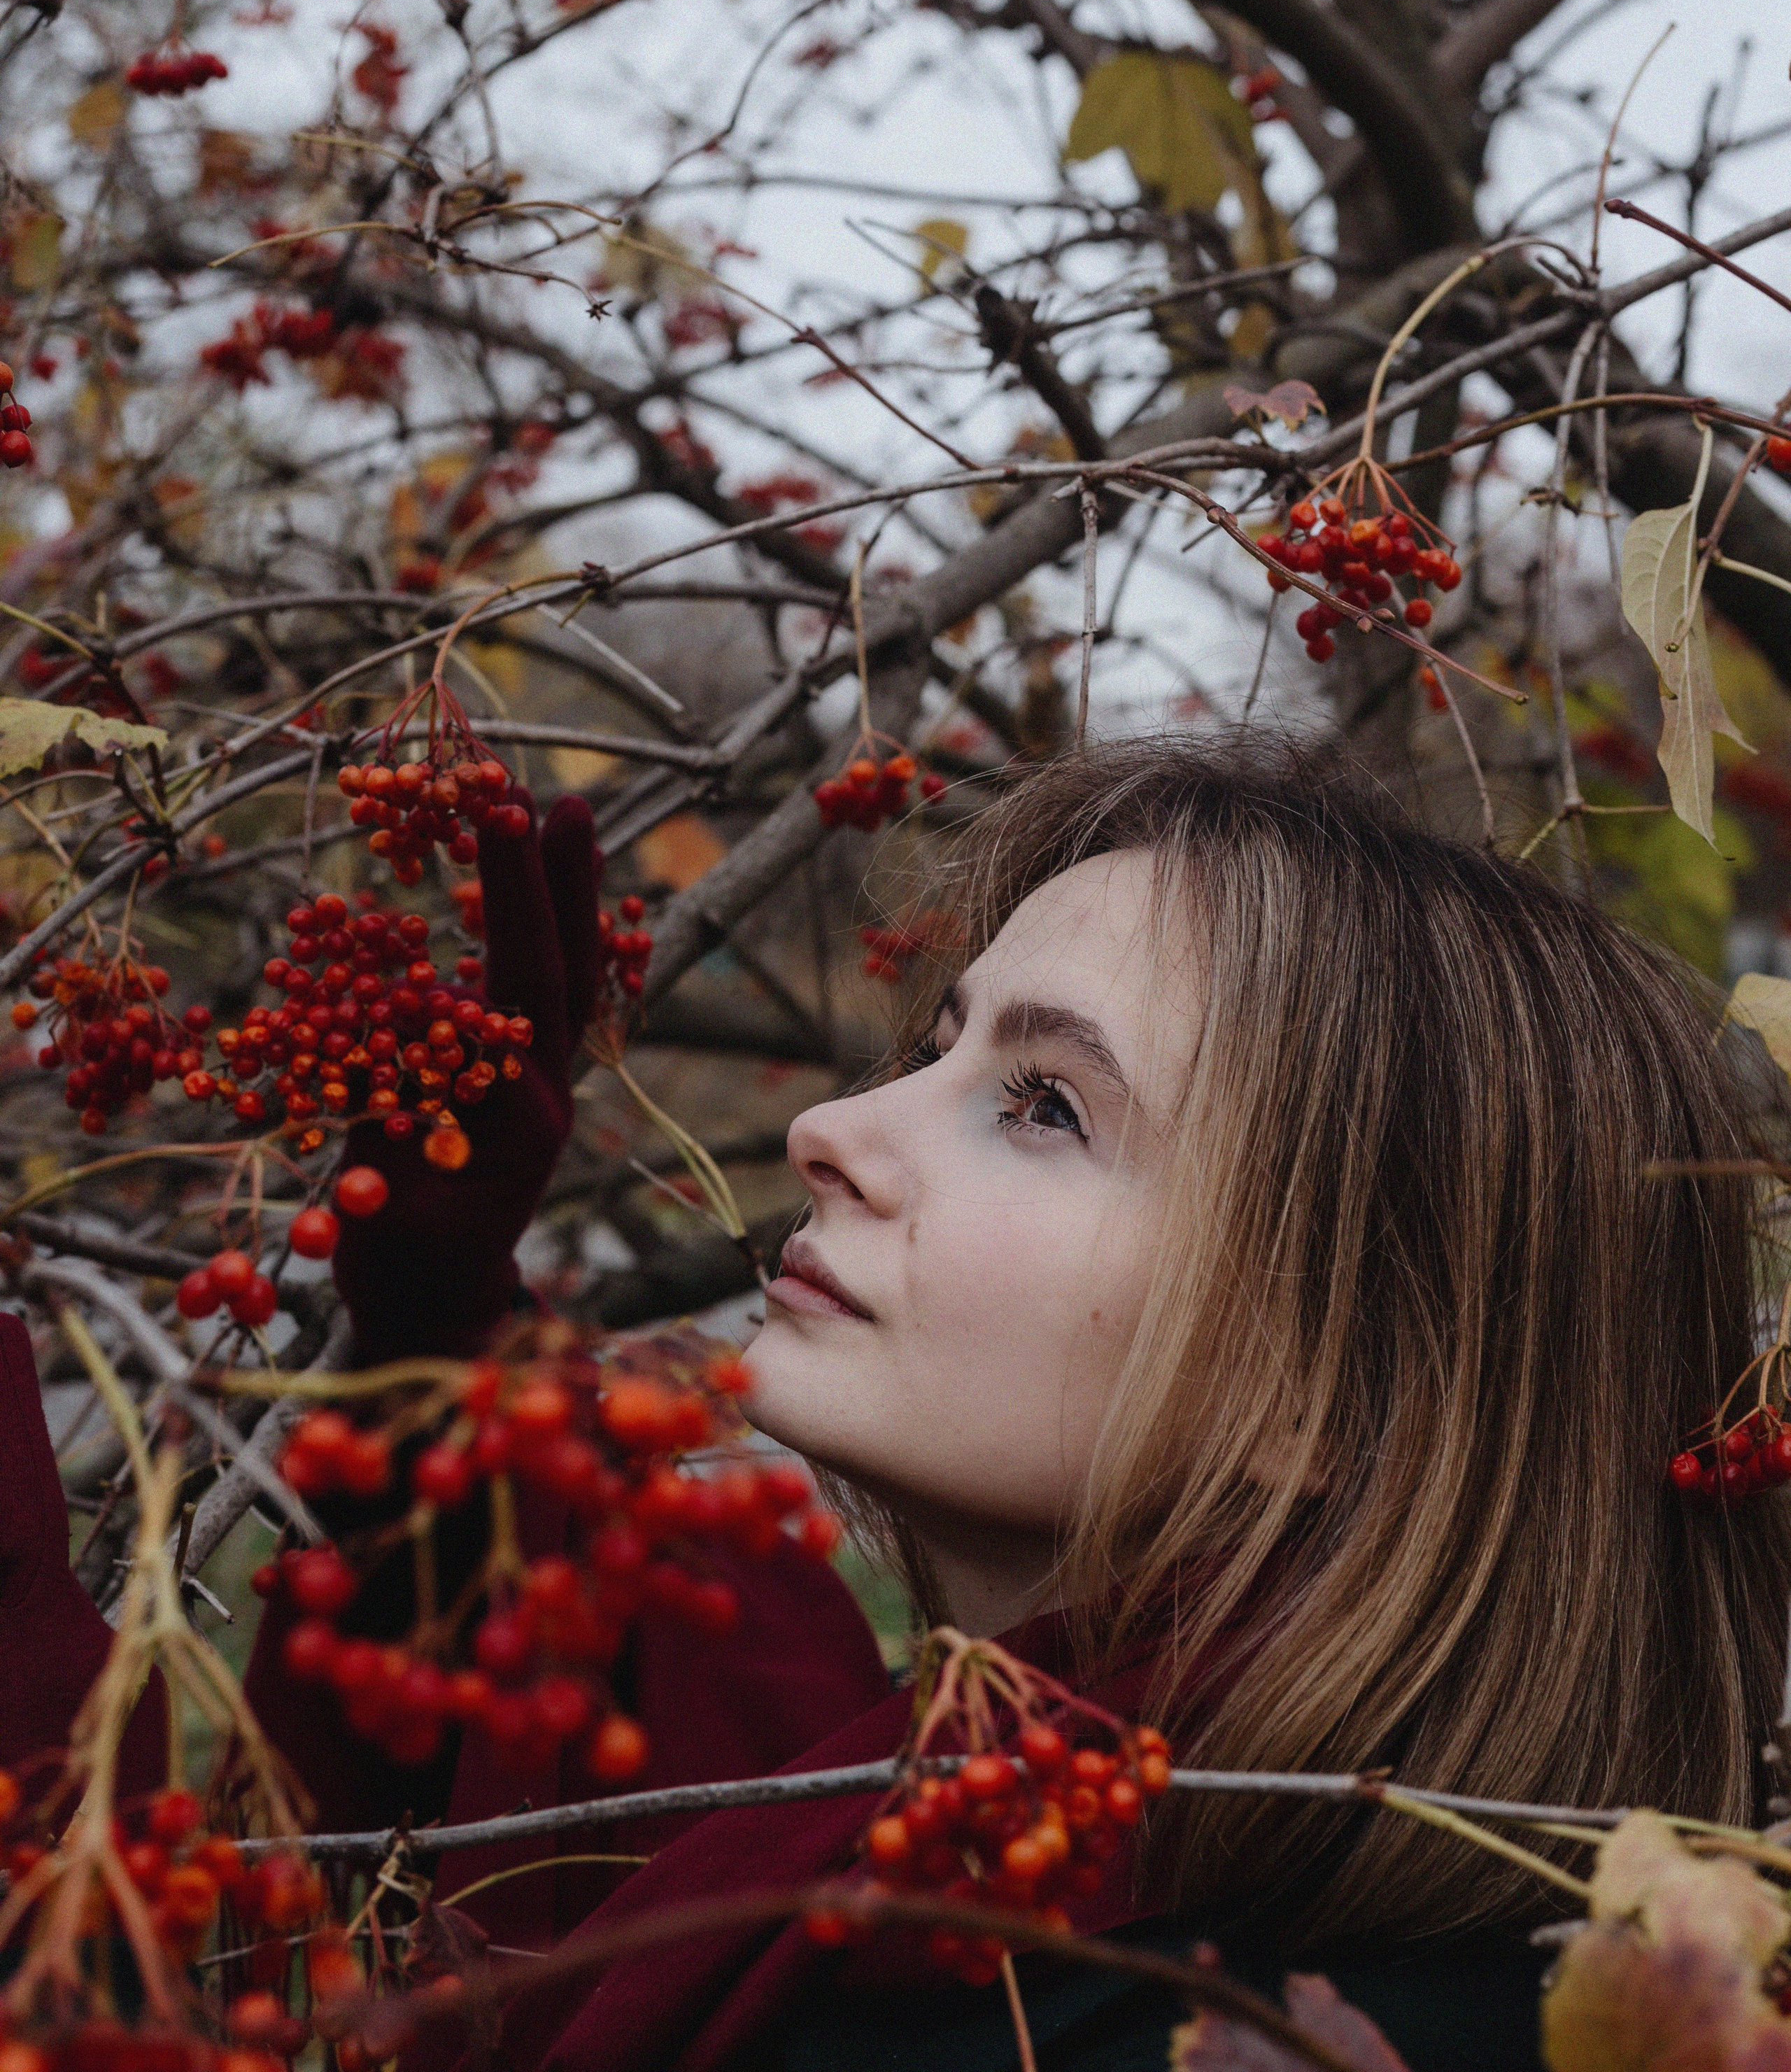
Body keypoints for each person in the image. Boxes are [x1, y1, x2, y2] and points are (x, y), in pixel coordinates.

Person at [3, 742, 1788, 2072]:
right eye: (939, 1039)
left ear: (1327, 1396)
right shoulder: (919, 1861)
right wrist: (428, 1339)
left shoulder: (1225, 2036)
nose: (829, 1133)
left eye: (1042, 1106)